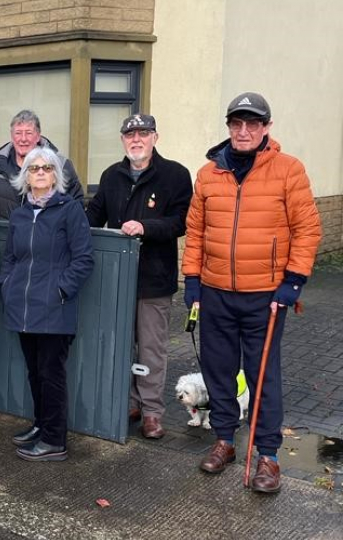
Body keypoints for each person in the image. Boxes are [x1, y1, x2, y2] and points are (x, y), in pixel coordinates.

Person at [182, 92, 322, 493]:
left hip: (267, 295)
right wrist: (193, 282)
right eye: (237, 124)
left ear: (266, 128)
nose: (244, 131)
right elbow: (197, 232)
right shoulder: (209, 173)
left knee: (262, 377)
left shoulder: (288, 170)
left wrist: (293, 282)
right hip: (215, 292)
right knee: (218, 370)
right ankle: (224, 439)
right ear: (229, 127)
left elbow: (307, 230)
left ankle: (268, 456)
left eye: (252, 124)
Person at [85, 113, 192, 440]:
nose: (136, 140)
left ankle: (152, 412)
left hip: (152, 280)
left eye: (143, 134)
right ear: (122, 141)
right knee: (120, 346)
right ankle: (127, 403)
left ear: (154, 138)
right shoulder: (111, 176)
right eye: (130, 135)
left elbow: (180, 222)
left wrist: (146, 226)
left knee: (150, 350)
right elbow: (94, 215)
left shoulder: (174, 175)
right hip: (116, 280)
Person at [0, 147, 94, 461]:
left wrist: (60, 291)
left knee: (51, 374)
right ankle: (41, 424)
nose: (40, 172)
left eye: (46, 168)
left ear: (55, 175)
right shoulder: (20, 214)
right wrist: (7, 286)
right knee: (34, 372)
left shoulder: (70, 210)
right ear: (25, 177)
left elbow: (83, 259)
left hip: (54, 308)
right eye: (33, 168)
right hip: (23, 307)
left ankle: (55, 440)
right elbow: (11, 257)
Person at [0, 109, 83, 220]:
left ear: (38, 136)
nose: (23, 139)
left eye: (29, 133)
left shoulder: (61, 165)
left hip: (48, 235)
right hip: (6, 236)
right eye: (18, 133)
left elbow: (76, 208)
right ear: (11, 136)